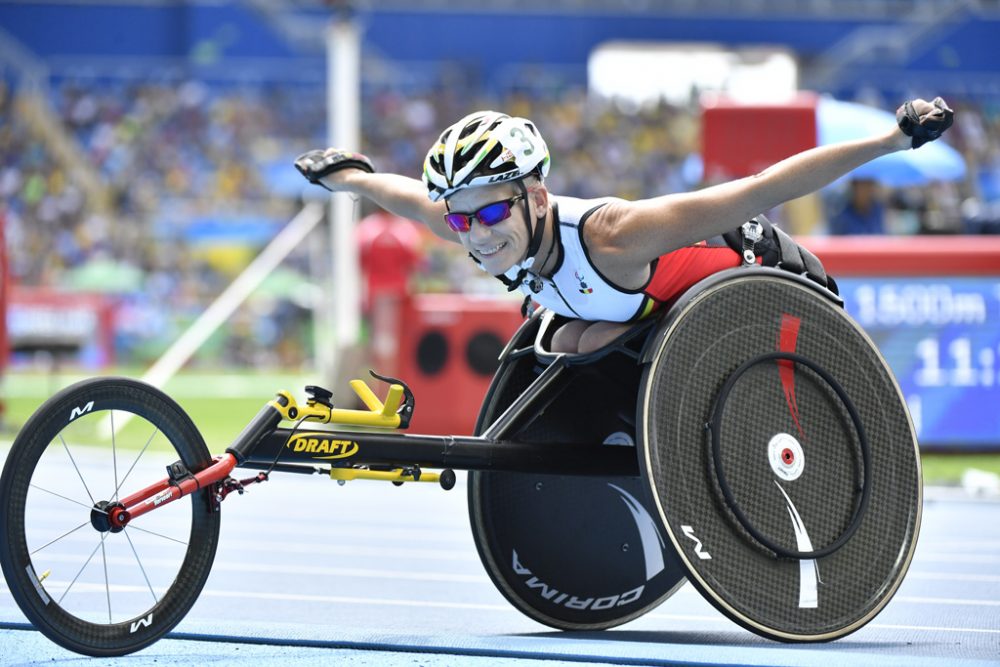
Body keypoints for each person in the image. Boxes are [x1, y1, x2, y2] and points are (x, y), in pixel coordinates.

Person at [296, 98, 953, 354]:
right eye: (462, 218)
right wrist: (351, 177)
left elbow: (763, 187)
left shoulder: (614, 235)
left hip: (770, 284)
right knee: (560, 343)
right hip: (658, 314)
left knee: (576, 342)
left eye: (492, 211)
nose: (475, 234)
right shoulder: (485, 224)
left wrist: (892, 139)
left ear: (536, 196)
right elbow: (411, 199)